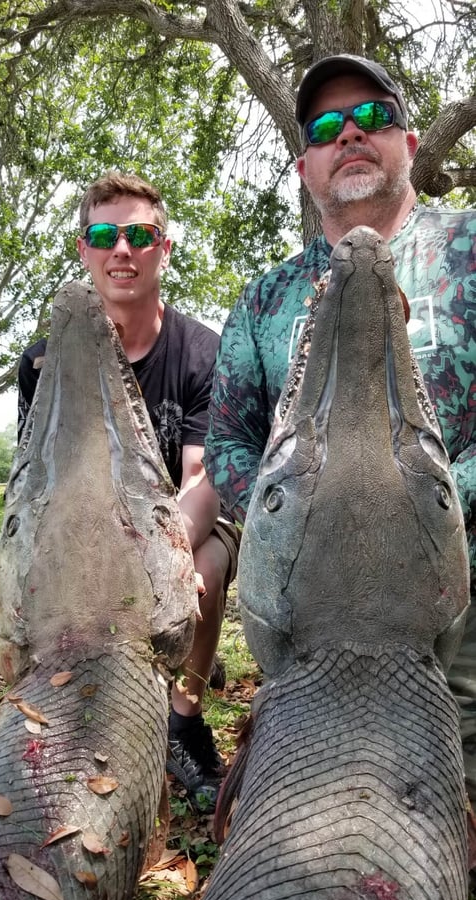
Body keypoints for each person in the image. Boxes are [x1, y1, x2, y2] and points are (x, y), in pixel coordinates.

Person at [204, 55, 476, 800]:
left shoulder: (468, 252)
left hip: (455, 616)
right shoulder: (264, 300)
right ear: (304, 166)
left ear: (409, 143)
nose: (349, 133)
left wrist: (442, 494)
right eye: (326, 127)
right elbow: (226, 439)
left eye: (372, 116)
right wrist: (277, 502)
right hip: (305, 625)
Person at [17, 171, 240, 812]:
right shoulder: (40, 364)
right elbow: (45, 481)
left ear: (162, 249)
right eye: (104, 235)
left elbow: (201, 478)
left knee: (205, 568)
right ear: (84, 250)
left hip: (180, 520)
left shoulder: (204, 353)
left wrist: (163, 554)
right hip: (87, 522)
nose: (122, 249)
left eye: (140, 234)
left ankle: (183, 717)